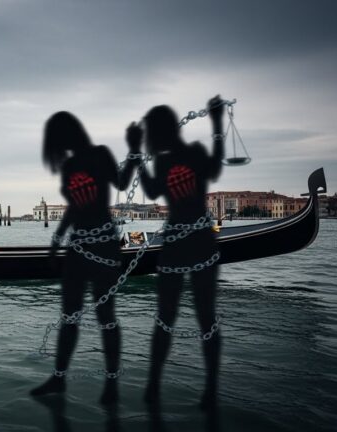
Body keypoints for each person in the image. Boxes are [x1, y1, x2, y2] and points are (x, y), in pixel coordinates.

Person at [31, 111, 142, 405]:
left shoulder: (100, 154)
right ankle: (58, 378)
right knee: (69, 316)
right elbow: (74, 207)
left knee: (106, 316)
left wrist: (133, 150)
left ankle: (112, 384)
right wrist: (56, 241)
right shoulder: (69, 166)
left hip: (104, 246)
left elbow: (121, 183)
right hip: (77, 248)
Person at [137, 95, 225, 410]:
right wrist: (217, 122)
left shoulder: (176, 158)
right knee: (198, 317)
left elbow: (153, 189)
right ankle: (203, 389)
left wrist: (138, 159)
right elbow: (213, 168)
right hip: (194, 240)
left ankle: (156, 387)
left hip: (183, 241)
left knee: (177, 317)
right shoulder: (176, 157)